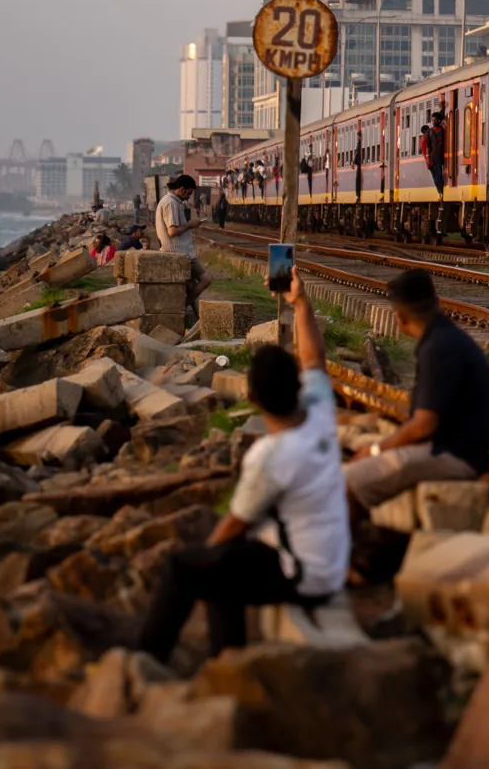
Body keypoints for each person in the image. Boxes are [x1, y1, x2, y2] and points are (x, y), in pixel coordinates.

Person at [138, 270, 348, 661]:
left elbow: (234, 523)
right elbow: (315, 358)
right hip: (329, 561)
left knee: (183, 568)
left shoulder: (269, 456)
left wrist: (204, 559)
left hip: (303, 577)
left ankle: (144, 659)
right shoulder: (320, 411)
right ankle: (228, 658)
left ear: (251, 397)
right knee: (224, 565)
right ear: (297, 387)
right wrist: (301, 303)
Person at [343, 268, 489, 509]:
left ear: (400, 319)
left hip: (454, 456)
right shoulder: (446, 338)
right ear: (437, 302)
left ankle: (341, 544)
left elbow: (424, 425)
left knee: (346, 481)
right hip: (454, 447)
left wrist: (375, 450)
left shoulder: (438, 348)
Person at [154, 175, 213, 320]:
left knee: (192, 285)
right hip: (178, 251)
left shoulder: (171, 201)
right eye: (189, 193)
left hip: (179, 250)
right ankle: (180, 309)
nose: (189, 196)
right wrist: (190, 225)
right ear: (181, 189)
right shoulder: (171, 203)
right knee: (206, 279)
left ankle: (200, 318)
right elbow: (172, 231)